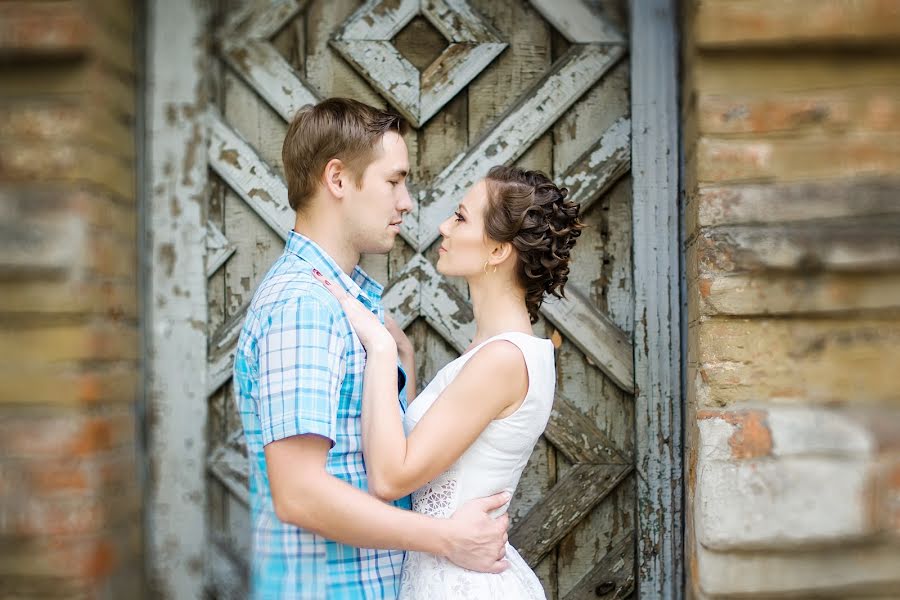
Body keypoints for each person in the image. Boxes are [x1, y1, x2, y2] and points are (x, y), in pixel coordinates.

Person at [232, 98, 510, 600]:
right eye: (393, 181)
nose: (406, 202)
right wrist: (447, 539)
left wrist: (397, 365)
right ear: (337, 180)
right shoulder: (304, 306)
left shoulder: (345, 303)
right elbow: (298, 493)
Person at [313, 165, 584, 598]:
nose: (443, 226)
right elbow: (439, 458)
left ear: (497, 251)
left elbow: (390, 478)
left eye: (460, 217)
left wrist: (380, 351)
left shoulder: (503, 359)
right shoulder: (503, 350)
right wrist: (405, 357)